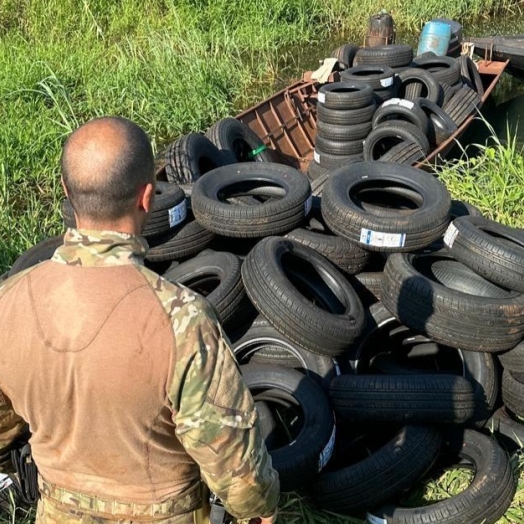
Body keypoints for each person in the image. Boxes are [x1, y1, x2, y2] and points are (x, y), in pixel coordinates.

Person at [0, 116, 279, 523]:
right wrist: (261, 511)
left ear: (66, 192)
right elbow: (234, 464)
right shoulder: (181, 319)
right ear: (148, 197)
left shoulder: (9, 301)